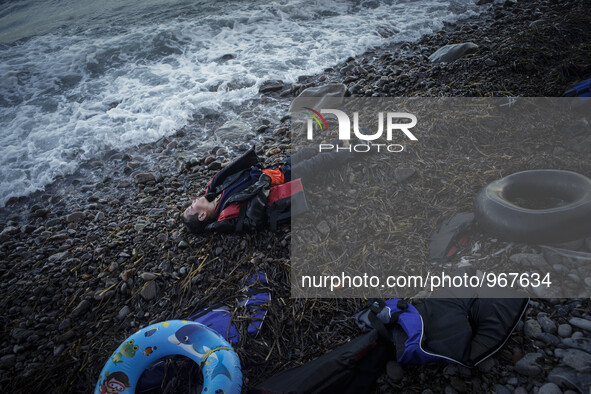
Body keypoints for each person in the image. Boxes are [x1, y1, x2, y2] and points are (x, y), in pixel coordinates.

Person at [182, 144, 356, 234]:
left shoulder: (215, 191)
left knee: (310, 151)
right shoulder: (227, 215)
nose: (192, 202)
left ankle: (345, 140)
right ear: (202, 215)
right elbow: (254, 219)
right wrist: (263, 184)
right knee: (322, 160)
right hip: (284, 180)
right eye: (191, 208)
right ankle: (360, 149)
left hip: (276, 168)